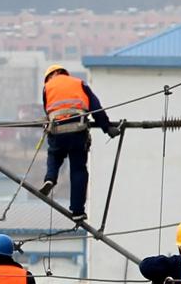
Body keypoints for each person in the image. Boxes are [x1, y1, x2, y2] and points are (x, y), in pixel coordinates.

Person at [39, 65, 121, 222]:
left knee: (54, 155)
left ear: (52, 75)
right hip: (78, 130)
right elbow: (95, 107)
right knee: (78, 170)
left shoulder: (47, 88)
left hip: (57, 131)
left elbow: (48, 112)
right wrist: (107, 127)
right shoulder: (79, 83)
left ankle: (50, 178)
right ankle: (77, 211)